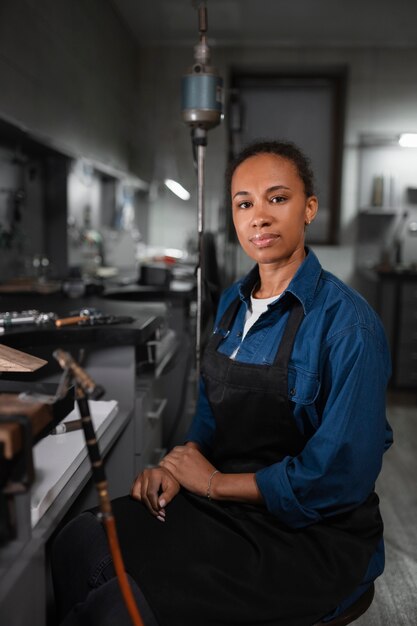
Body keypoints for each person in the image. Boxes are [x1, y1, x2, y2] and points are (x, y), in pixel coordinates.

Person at [52, 140, 393, 626]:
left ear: (309, 208)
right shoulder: (233, 302)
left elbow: (334, 479)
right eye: (244, 203)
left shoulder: (348, 326)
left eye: (278, 198)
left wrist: (211, 482)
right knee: (79, 543)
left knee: (115, 610)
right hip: (226, 507)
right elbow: (209, 419)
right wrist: (175, 466)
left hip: (311, 535)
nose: (260, 217)